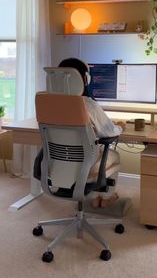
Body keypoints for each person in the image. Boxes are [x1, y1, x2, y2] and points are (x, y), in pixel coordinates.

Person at [34, 58, 125, 208]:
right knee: (114, 155)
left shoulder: (45, 102)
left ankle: (94, 196)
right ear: (84, 79)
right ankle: (105, 196)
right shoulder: (87, 104)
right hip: (85, 166)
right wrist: (120, 127)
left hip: (54, 164)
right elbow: (109, 132)